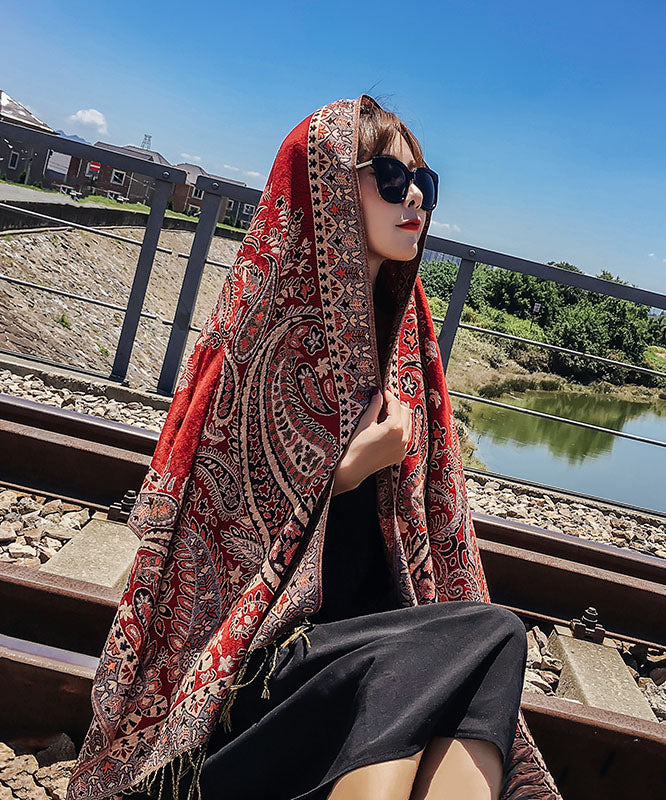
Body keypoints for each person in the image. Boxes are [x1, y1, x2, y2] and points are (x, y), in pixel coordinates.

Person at [65, 95, 562, 800]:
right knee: (453, 654)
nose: (415, 194)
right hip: (256, 687)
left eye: (426, 181)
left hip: (358, 661)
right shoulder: (260, 341)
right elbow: (222, 552)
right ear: (329, 186)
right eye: (390, 177)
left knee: (474, 646)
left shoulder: (406, 352)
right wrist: (351, 472)